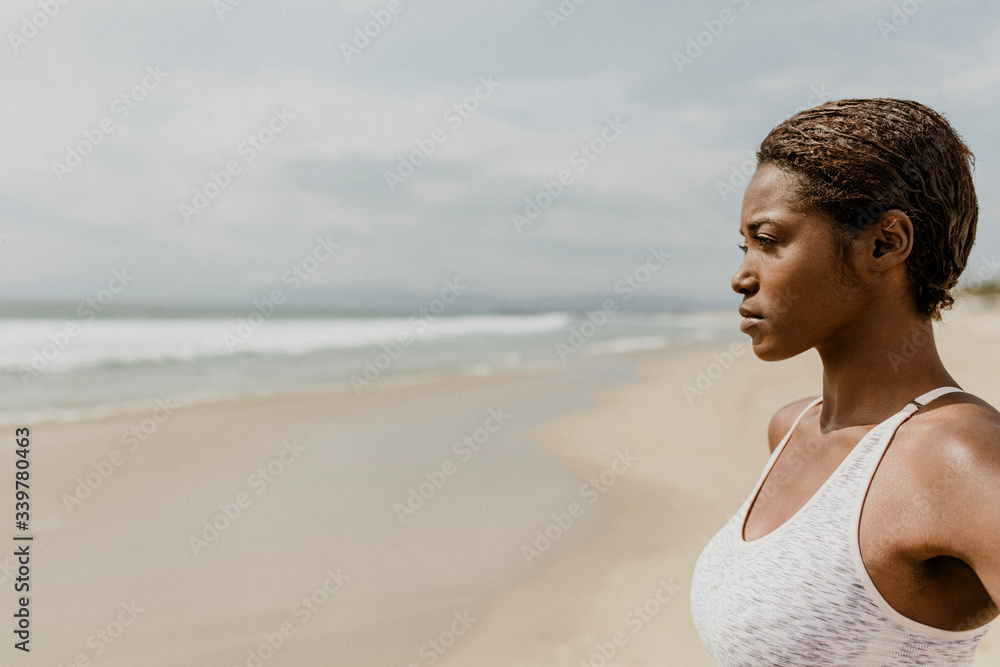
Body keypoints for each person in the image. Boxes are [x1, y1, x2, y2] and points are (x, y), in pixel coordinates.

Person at [689, 98, 1000, 665]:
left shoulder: (962, 458)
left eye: (769, 240)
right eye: (744, 246)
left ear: (884, 244)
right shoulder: (792, 428)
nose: (740, 277)